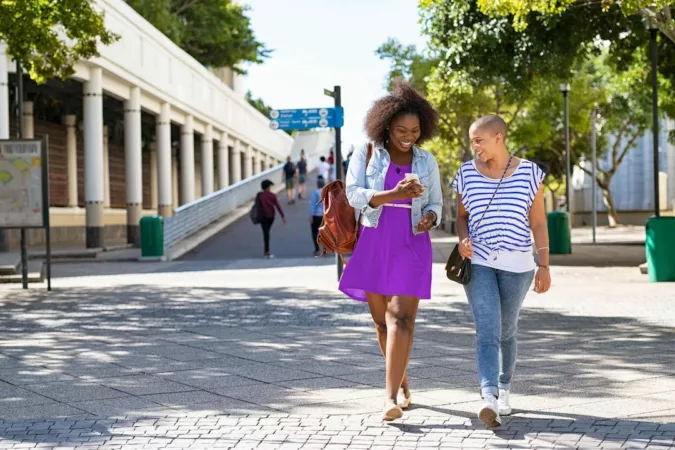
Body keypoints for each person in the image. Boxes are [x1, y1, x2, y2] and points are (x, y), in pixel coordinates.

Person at [338, 80, 442, 421]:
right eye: (401, 129)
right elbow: (353, 193)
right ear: (385, 126)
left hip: (412, 242)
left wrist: (429, 217)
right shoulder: (367, 152)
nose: (408, 135)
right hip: (375, 238)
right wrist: (394, 193)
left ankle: (390, 398)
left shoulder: (427, 160)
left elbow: (437, 204)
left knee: (401, 318)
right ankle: (402, 381)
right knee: (383, 324)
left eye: (414, 130)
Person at [453, 114, 551, 427]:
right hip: (479, 262)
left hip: (519, 265)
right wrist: (462, 239)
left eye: (478, 140)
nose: (474, 147)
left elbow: (538, 222)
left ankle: (505, 387)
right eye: (472, 141)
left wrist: (544, 265)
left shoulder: (530, 173)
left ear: (499, 137)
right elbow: (461, 216)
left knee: (507, 330)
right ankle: (489, 397)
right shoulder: (466, 173)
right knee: (487, 330)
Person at [256, 179, 286, 258]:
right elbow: (277, 206)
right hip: (271, 217)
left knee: (265, 233)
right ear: (268, 187)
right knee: (267, 232)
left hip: (263, 216)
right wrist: (282, 216)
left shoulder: (259, 195)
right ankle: (267, 251)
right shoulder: (272, 195)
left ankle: (267, 250)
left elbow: (256, 206)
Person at [309, 176, 326, 257]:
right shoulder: (326, 192)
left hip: (316, 215)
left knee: (315, 233)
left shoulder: (315, 193)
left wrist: (311, 215)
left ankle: (317, 248)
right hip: (324, 216)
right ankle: (324, 248)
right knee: (323, 233)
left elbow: (312, 205)